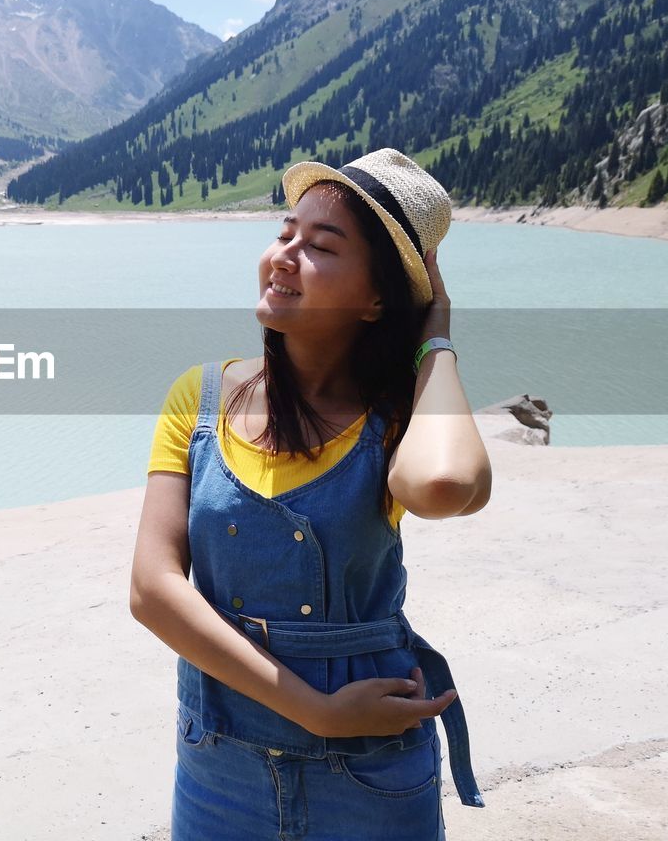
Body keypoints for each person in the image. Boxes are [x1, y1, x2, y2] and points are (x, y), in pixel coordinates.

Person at [130, 148, 491, 840]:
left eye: (320, 245)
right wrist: (314, 708)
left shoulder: (393, 420)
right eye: (285, 232)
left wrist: (436, 335)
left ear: (376, 298)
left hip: (367, 772)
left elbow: (443, 486)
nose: (284, 256)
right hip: (217, 765)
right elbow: (152, 588)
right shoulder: (199, 397)